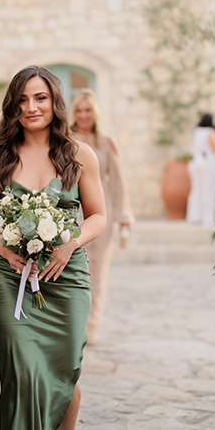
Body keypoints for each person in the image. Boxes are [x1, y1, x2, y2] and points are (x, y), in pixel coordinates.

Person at [0, 66, 106, 430]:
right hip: (13, 283)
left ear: (55, 104)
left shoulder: (78, 154)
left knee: (62, 373)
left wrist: (69, 244)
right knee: (25, 377)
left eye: (41, 98)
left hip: (67, 280)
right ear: (13, 105)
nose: (32, 107)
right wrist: (9, 252)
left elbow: (98, 215)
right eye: (23, 99)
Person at [70, 89, 134, 344]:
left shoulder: (106, 143)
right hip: (72, 212)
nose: (84, 115)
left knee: (97, 273)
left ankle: (91, 327)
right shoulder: (65, 140)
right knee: (73, 270)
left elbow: (118, 183)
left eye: (88, 110)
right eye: (79, 110)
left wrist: (124, 220)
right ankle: (72, 324)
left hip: (101, 213)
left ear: (95, 113)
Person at [186, 113, 215, 225]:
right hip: (208, 164)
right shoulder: (209, 132)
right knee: (209, 190)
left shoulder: (196, 132)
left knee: (196, 189)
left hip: (195, 163)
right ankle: (207, 217)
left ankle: (194, 216)